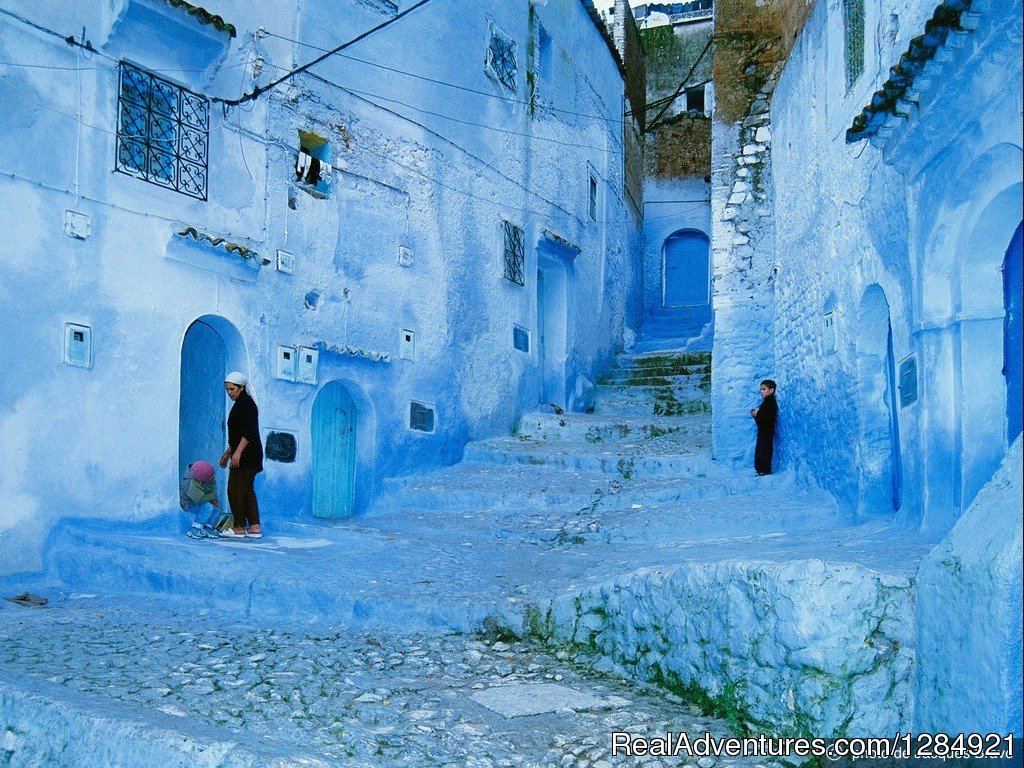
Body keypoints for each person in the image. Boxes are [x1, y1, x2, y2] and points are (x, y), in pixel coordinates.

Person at [220, 372, 264, 538]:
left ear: (241, 387)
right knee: (246, 490)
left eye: (232, 389)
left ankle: (238, 527)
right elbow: (237, 434)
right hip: (246, 453)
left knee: (235, 490)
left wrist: (237, 452)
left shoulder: (246, 403)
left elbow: (248, 431)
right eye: (228, 390)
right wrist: (227, 453)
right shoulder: (241, 403)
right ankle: (254, 527)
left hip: (247, 455)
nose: (230, 392)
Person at [179, 460, 229, 538]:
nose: (213, 478)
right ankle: (195, 528)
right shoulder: (190, 483)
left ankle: (208, 527)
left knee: (216, 508)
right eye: (211, 477)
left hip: (203, 498)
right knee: (208, 507)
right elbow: (199, 499)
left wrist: (214, 499)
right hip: (188, 503)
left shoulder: (209, 474)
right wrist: (212, 497)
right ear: (203, 480)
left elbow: (213, 488)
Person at [749, 379, 778, 476]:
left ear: (771, 390)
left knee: (764, 450)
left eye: (764, 389)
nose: (761, 391)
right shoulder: (767, 402)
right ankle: (762, 470)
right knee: (762, 450)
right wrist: (756, 414)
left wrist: (756, 414)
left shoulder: (770, 403)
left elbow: (766, 418)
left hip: (766, 432)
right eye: (761, 389)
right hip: (764, 431)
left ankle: (765, 470)